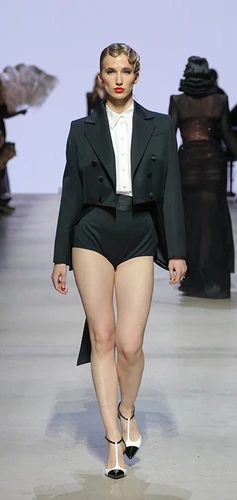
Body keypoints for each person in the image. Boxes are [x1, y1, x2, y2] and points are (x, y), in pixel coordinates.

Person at [51, 43, 187, 480]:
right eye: (110, 71)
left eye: (125, 71)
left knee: (130, 345)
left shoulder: (160, 125)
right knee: (103, 338)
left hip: (139, 232)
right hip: (91, 232)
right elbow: (71, 191)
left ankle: (127, 410)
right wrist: (60, 256)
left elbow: (171, 189)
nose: (118, 79)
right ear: (101, 77)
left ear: (136, 76)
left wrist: (177, 249)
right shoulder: (81, 128)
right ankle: (112, 437)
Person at [170, 57, 237, 298]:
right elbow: (228, 137)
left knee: (190, 222)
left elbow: (169, 137)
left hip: (187, 164)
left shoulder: (177, 101)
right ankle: (214, 283)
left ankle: (193, 281)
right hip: (212, 166)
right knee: (212, 222)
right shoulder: (219, 101)